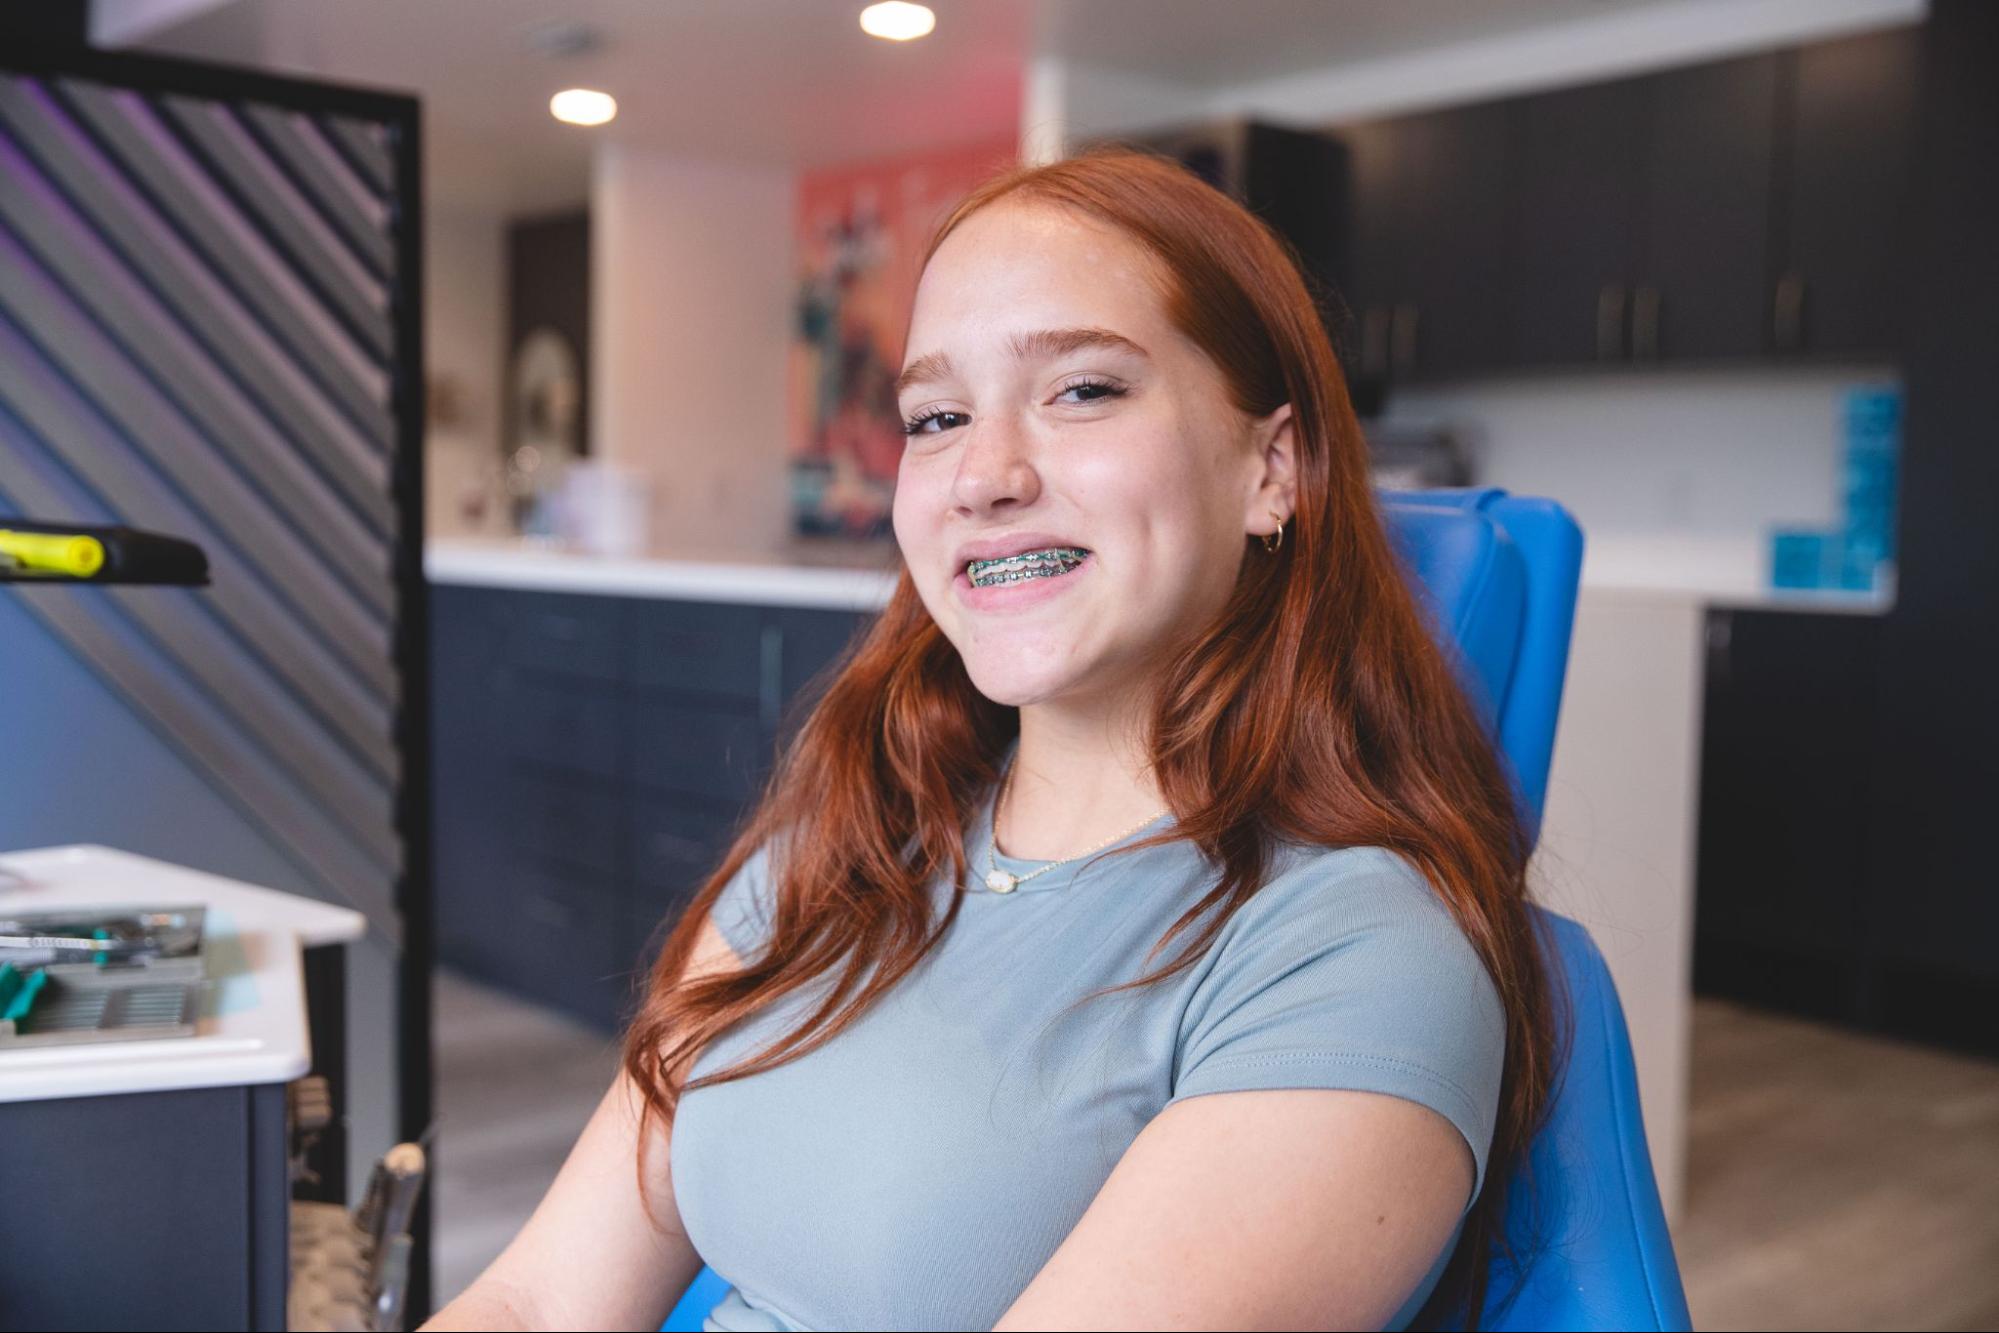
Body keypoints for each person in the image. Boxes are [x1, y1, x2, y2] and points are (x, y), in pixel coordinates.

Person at [424, 149, 1559, 1333]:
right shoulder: (842, 851)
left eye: (1082, 390)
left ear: (1269, 468)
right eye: (936, 416)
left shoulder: (1348, 958)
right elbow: (535, 1297)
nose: (982, 474)